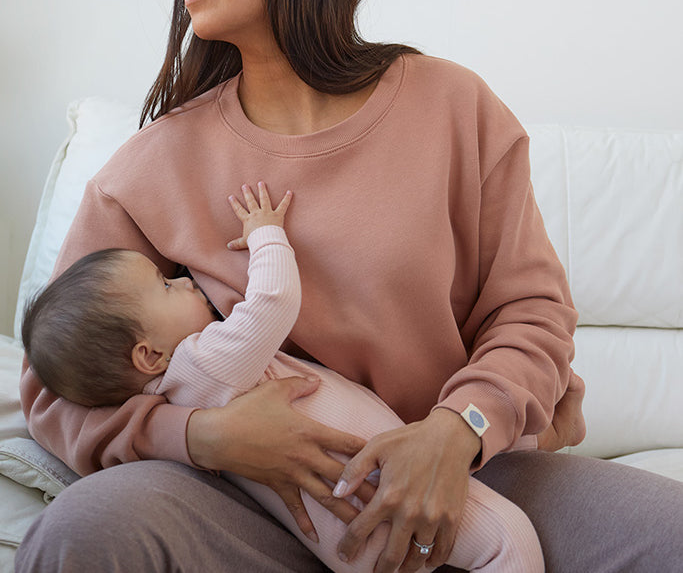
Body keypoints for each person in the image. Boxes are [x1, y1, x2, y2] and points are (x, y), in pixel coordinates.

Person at [16, 0, 683, 573]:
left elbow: (530, 313)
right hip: (243, 497)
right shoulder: (150, 166)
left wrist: (456, 430)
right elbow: (55, 386)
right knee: (84, 529)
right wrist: (203, 436)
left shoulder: (451, 107)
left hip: (462, 471)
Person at [22, 182, 546, 573]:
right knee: (510, 542)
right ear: (147, 356)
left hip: (347, 527)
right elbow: (273, 302)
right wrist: (265, 234)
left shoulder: (180, 386)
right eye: (164, 285)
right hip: (379, 491)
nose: (183, 281)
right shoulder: (206, 363)